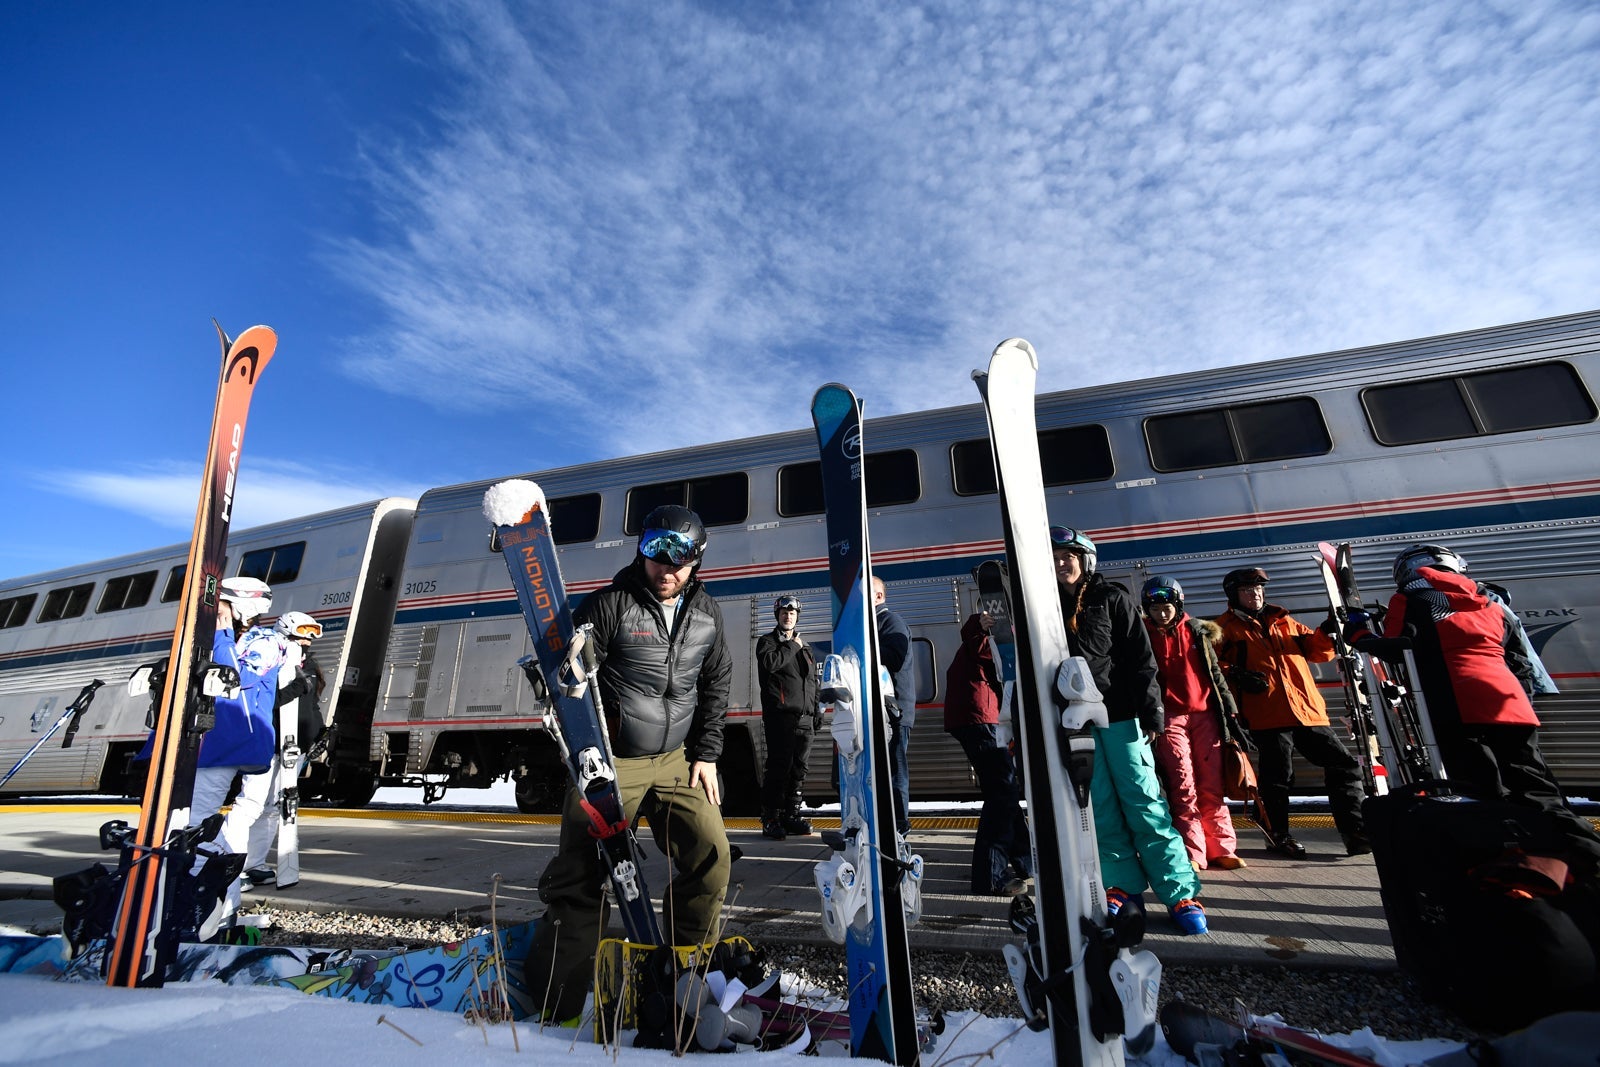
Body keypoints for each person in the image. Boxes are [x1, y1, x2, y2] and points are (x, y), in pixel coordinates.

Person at [523, 504, 735, 1023]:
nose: (666, 568)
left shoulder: (708, 613)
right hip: (613, 762)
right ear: (640, 551)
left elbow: (717, 684)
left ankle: (690, 970)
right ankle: (563, 1000)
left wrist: (705, 755)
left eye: (678, 558)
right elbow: (570, 668)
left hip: (676, 761)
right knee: (579, 873)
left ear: (697, 561)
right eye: (655, 553)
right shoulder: (612, 603)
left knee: (712, 851)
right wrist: (573, 660)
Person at [1374, 544, 1600, 873]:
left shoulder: (1413, 598)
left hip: (1456, 703)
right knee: (1536, 787)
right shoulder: (1493, 601)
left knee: (1482, 789)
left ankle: (1506, 864)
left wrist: (1357, 628)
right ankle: (1583, 855)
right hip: (1511, 705)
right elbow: (1521, 662)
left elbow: (1395, 647)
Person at [1051, 527, 1207, 935]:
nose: (1062, 563)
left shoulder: (1111, 598)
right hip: (1074, 720)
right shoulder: (1042, 607)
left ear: (1086, 560)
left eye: (1070, 555)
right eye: (1054, 557)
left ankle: (1180, 893)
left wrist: (1152, 713)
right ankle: (1122, 886)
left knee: (1144, 800)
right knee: (1099, 806)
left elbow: (1142, 659)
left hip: (1120, 715)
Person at [1213, 566, 1369, 859]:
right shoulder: (1225, 628)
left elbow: (1317, 652)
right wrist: (1235, 672)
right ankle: (1278, 835)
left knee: (1345, 766)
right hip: (1266, 714)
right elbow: (1210, 667)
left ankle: (1356, 832)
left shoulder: (1285, 622)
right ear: (1234, 595)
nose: (1256, 594)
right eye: (1248, 590)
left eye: (1259, 589)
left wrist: (1326, 631)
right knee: (1278, 779)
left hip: (1306, 711)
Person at [186, 576, 280, 932]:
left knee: (207, 818)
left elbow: (233, 679)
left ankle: (209, 902)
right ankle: (220, 902)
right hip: (216, 738)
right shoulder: (216, 637)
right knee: (205, 819)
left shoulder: (267, 642)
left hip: (237, 739)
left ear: (242, 606)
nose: (215, 612)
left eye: (222, 606)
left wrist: (223, 635)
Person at [1139, 575, 1249, 871]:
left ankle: (1222, 847)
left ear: (1178, 604)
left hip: (1205, 716)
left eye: (1167, 606)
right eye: (1155, 607)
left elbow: (1215, 674)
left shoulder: (1197, 631)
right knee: (1183, 783)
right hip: (1169, 718)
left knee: (1211, 784)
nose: (1162, 613)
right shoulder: (1141, 635)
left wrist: (1231, 712)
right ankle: (1193, 851)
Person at [943, 610, 1031, 894]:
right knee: (1002, 793)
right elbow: (983, 641)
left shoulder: (974, 640)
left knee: (1004, 790)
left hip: (977, 717)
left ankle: (1027, 862)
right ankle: (990, 877)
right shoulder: (981, 637)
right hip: (981, 718)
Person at [238, 610, 324, 890]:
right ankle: (232, 864)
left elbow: (311, 707)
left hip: (295, 747)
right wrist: (298, 687)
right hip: (269, 741)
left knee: (276, 808)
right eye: (303, 636)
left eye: (311, 637)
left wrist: (320, 734)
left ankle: (255, 863)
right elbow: (264, 699)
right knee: (251, 803)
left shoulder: (308, 666)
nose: (308, 643)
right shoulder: (271, 659)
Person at [755, 595, 819, 840]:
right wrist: (793, 645)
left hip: (805, 718)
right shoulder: (767, 643)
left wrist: (816, 711)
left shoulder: (806, 649)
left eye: (792, 613)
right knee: (779, 768)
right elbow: (771, 664)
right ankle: (771, 818)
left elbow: (812, 682)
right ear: (777, 615)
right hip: (780, 717)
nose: (788, 615)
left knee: (798, 769)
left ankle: (791, 815)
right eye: (784, 612)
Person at [872, 576, 915, 836]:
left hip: (894, 712)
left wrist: (865, 648)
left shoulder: (890, 621)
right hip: (883, 712)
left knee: (895, 771)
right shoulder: (874, 623)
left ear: (879, 597)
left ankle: (899, 826)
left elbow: (895, 657)